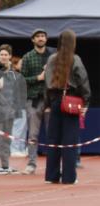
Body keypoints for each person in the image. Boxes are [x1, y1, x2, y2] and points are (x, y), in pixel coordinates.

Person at [44, 29, 90, 185]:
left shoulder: (51, 59)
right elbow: (83, 82)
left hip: (55, 101)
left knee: (53, 140)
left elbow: (47, 84)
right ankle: (69, 177)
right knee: (69, 142)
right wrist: (86, 101)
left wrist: (48, 104)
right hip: (71, 102)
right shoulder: (75, 59)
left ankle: (51, 176)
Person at [0, 44, 27, 174]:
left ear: (9, 56)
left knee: (6, 139)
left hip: (10, 112)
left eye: (6, 54)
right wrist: (0, 104)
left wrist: (16, 109)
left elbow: (17, 92)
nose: (3, 56)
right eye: (1, 54)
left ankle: (5, 165)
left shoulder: (13, 73)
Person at [20, 29, 55, 175]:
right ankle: (31, 164)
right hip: (34, 100)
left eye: (43, 36)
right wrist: (38, 78)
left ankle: (53, 164)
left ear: (46, 39)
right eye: (38, 37)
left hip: (51, 100)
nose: (41, 38)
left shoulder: (53, 55)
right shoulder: (27, 57)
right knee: (33, 134)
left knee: (52, 134)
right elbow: (22, 81)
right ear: (33, 40)